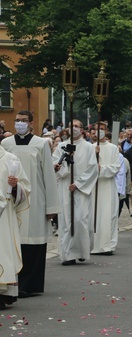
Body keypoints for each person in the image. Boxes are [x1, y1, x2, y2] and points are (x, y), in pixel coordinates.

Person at [1, 111, 60, 298]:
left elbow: (48, 176)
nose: (20, 123)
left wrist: (51, 206)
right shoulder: (6, 145)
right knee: (13, 241)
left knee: (33, 240)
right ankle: (13, 282)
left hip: (36, 198)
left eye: (24, 121)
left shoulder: (41, 144)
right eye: (17, 121)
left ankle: (31, 284)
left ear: (31, 123)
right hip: (11, 199)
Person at [53, 120, 98, 266]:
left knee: (80, 219)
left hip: (81, 188)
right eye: (71, 126)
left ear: (82, 129)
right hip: (66, 187)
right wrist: (60, 168)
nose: (74, 128)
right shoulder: (61, 146)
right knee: (67, 221)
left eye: (77, 126)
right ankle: (68, 254)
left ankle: (82, 250)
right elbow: (56, 167)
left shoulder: (89, 147)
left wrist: (78, 184)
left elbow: (92, 168)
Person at [0, 145, 30, 310]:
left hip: (5, 215)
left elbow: (26, 189)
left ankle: (3, 292)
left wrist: (15, 186)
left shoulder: (10, 159)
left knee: (3, 251)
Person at [91, 122, 121, 256]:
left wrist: (101, 169)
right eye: (96, 129)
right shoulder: (89, 147)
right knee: (93, 214)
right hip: (93, 186)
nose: (98, 131)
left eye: (101, 129)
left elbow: (115, 167)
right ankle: (92, 245)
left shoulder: (113, 148)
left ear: (106, 131)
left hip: (108, 186)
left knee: (108, 215)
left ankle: (107, 245)